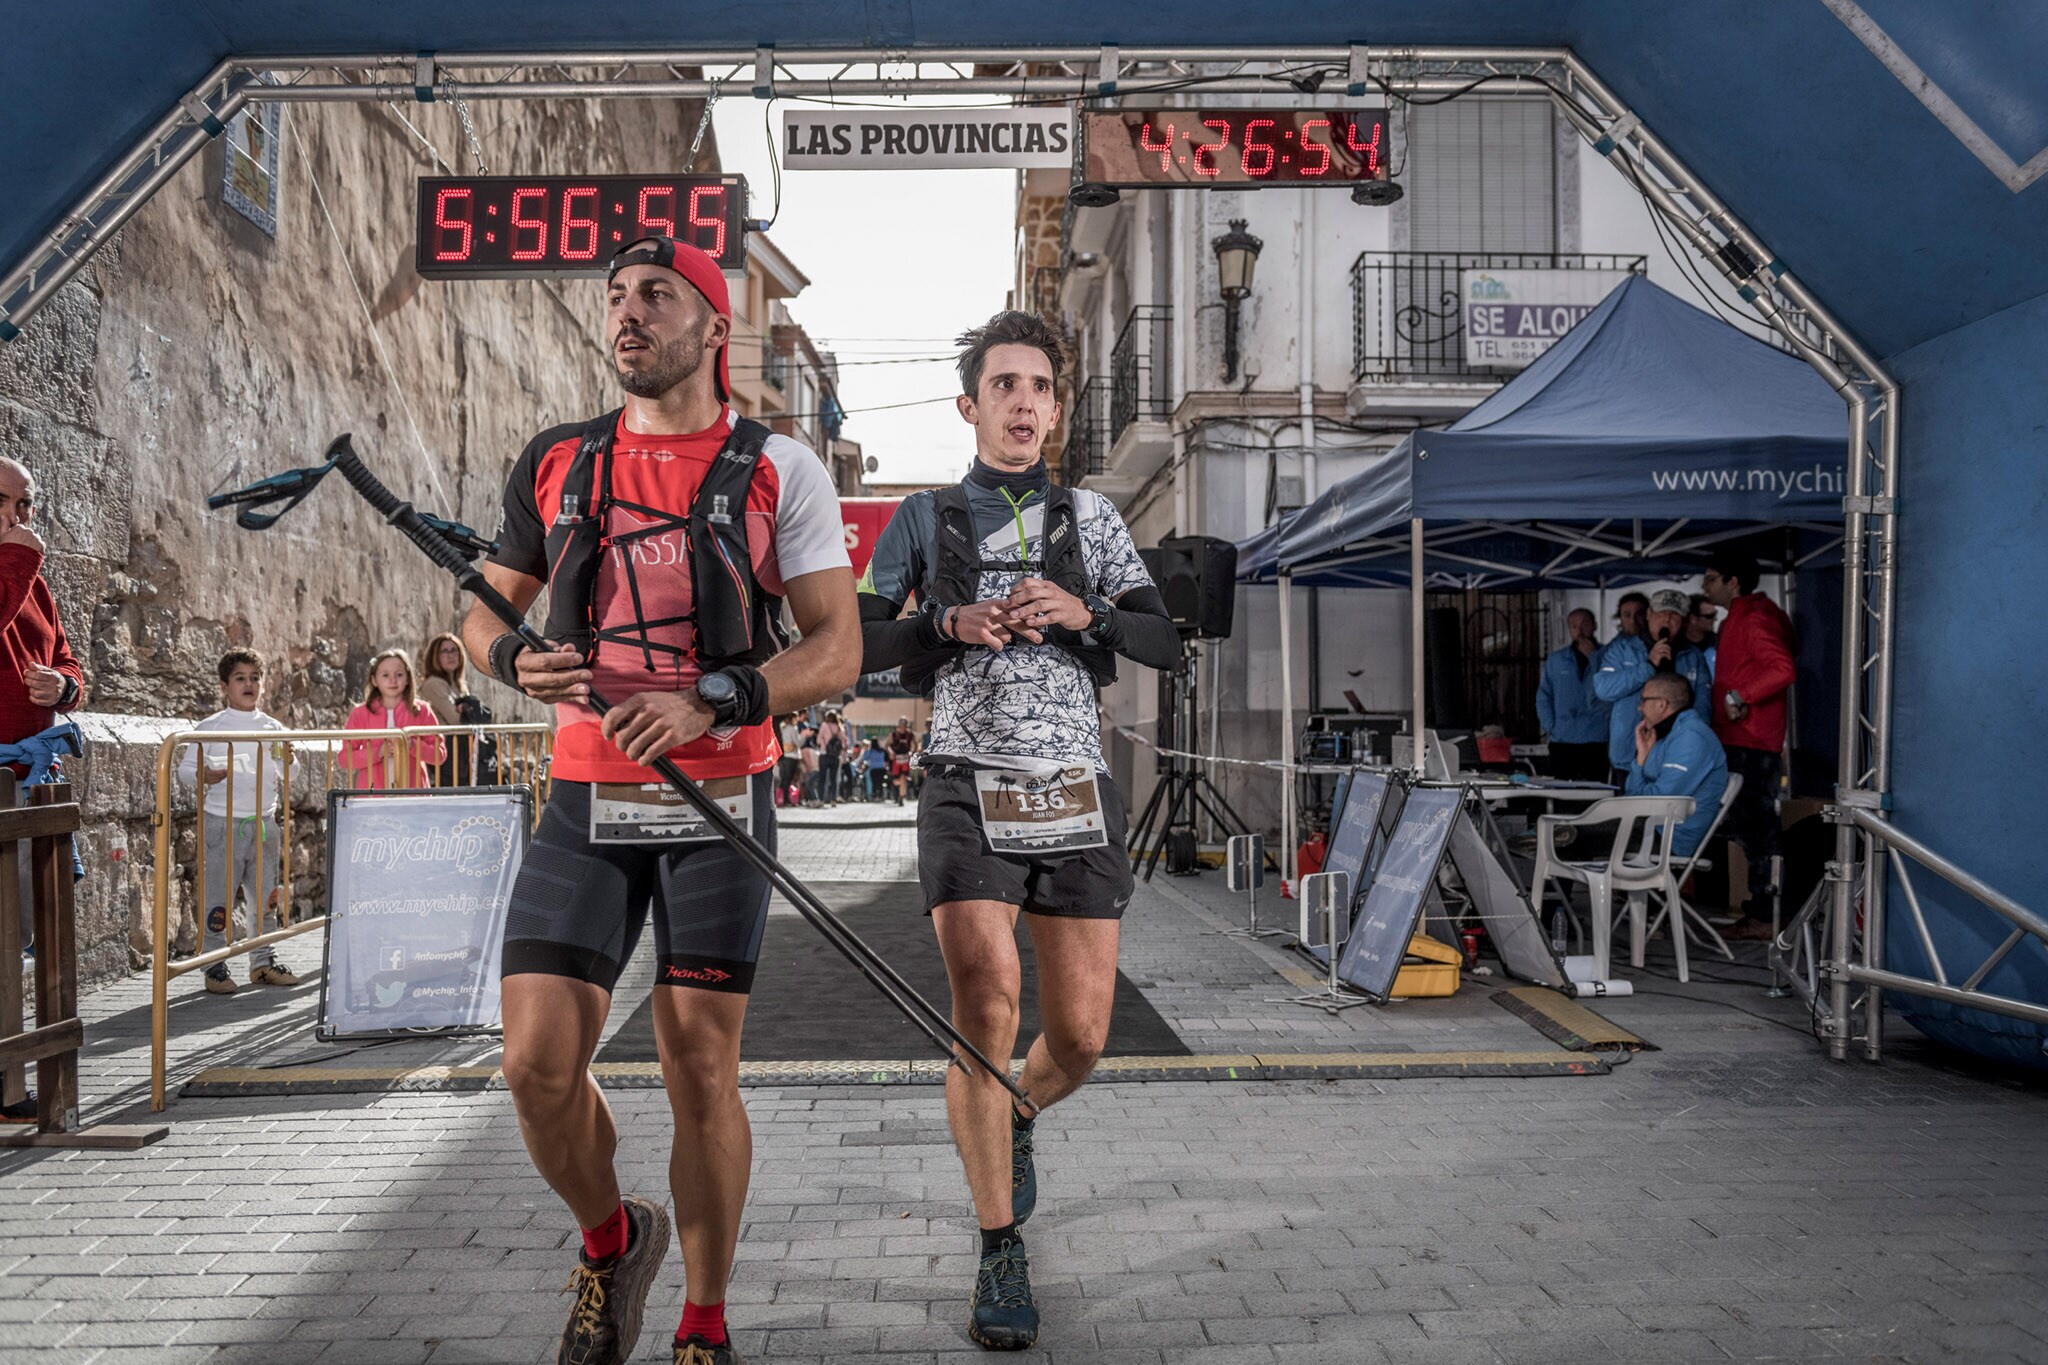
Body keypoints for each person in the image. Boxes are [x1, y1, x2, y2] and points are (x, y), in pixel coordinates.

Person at [460, 233, 858, 1365]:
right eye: (616, 297)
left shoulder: (780, 467)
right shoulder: (559, 462)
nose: (626, 314)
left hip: (717, 806)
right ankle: (609, 1241)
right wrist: (507, 663)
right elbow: (482, 612)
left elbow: (834, 650)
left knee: (698, 1067)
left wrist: (718, 697)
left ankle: (702, 1322)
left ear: (713, 327)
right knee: (535, 1066)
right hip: (587, 798)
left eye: (654, 297)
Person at [857, 310, 1183, 1350]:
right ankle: (999, 1247)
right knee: (985, 998)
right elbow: (858, 647)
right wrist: (942, 625)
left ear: (1056, 405)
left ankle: (1021, 1111)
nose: (1024, 403)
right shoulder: (922, 516)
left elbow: (1163, 641)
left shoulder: (1089, 520)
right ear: (971, 405)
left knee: (1082, 1035)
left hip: (1071, 785)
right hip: (963, 777)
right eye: (1004, 385)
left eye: (1040, 387)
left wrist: (1084, 614)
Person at [0, 457, 84, 1120]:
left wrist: (66, 687)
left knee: (22, 929)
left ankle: (13, 1084)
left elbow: (65, 655)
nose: (23, 516)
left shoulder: (32, 574)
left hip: (34, 778)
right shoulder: (18, 566)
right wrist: (18, 560)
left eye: (28, 504)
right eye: (11, 502)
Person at [176, 649, 297, 994]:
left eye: (255, 678)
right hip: (222, 824)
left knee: (265, 897)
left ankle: (263, 963)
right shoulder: (211, 726)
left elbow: (290, 772)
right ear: (225, 686)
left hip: (263, 823)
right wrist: (204, 775)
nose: (249, 684)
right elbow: (185, 769)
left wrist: (289, 759)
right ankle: (214, 965)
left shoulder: (272, 727)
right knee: (219, 896)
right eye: (240, 678)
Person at [1701, 548, 1797, 939]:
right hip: (1745, 737)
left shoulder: (1755, 616)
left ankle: (1767, 913)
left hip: (1751, 741)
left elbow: (1783, 668)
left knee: (1758, 831)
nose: (1703, 585)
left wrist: (1740, 697)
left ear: (1732, 581)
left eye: (1710, 578)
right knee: (1749, 828)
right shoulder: (1750, 615)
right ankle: (1763, 910)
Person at [1594, 589, 1711, 779]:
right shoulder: (1622, 649)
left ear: (1684, 620)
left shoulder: (1693, 656)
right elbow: (1603, 689)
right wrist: (1647, 666)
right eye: (1661, 613)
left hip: (1676, 757)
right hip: (1629, 756)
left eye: (1674, 615)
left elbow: (1703, 707)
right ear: (1648, 615)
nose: (1666, 620)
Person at [1624, 672, 1729, 861]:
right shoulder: (1667, 735)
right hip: (1649, 827)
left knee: (1570, 835)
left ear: (1662, 704)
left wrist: (1639, 790)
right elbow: (1634, 798)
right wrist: (1641, 758)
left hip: (1668, 839)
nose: (1640, 707)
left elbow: (1655, 803)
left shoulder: (1691, 738)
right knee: (1567, 831)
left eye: (1644, 700)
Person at [340, 649, 445, 790]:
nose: (393, 680)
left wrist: (412, 745)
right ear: (374, 680)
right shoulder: (360, 713)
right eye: (385, 675)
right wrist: (377, 753)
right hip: (373, 799)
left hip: (414, 796)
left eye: (399, 675)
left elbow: (439, 755)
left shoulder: (423, 710)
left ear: (408, 678)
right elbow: (344, 759)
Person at [1535, 608, 1610, 781]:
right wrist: (1551, 725)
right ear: (1569, 629)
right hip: (1563, 738)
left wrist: (1593, 657)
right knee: (1562, 793)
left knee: (1594, 793)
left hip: (1596, 739)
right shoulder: (1557, 659)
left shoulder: (1608, 656)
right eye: (1574, 626)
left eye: (1585, 624)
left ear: (1594, 626)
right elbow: (1544, 695)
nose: (1580, 630)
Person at [418, 630, 475, 786]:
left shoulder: (459, 685)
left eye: (454, 650)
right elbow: (456, 720)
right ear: (435, 656)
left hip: (461, 751)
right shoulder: (433, 684)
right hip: (445, 752)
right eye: (445, 651)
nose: (451, 655)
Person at [816, 709, 846, 804]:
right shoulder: (840, 727)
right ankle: (833, 799)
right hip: (835, 756)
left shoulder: (824, 725)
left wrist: (823, 743)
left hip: (824, 754)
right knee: (834, 779)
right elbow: (844, 743)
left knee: (822, 778)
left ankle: (821, 799)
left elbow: (818, 740)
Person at [887, 714, 919, 805]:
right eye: (901, 723)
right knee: (896, 781)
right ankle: (899, 794)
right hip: (896, 759)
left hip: (905, 759)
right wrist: (891, 752)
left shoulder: (910, 735)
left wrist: (911, 753)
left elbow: (915, 745)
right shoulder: (893, 735)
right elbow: (887, 745)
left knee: (903, 778)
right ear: (899, 724)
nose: (903, 726)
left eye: (904, 724)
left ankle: (901, 797)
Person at [775, 713, 802, 808]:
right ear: (792, 719)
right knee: (789, 779)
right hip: (792, 756)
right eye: (796, 718)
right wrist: (804, 735)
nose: (797, 720)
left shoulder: (783, 728)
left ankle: (781, 799)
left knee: (784, 779)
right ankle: (786, 799)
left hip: (784, 756)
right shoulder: (793, 729)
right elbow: (798, 743)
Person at [1686, 593, 1720, 662]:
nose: (1715, 619)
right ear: (1693, 619)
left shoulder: (1718, 643)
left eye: (1715, 614)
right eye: (1709, 616)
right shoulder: (1676, 646)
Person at [861, 735, 889, 801]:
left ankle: (875, 795)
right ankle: (881, 795)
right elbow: (886, 759)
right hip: (882, 769)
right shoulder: (882, 750)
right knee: (880, 782)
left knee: (874, 783)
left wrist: (866, 749)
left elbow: (865, 758)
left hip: (874, 769)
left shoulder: (870, 751)